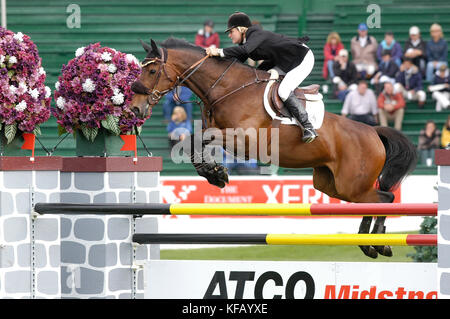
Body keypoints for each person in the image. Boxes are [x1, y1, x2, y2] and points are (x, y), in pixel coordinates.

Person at [205, 11, 317, 143]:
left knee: (283, 90)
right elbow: (238, 59)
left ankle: (308, 127)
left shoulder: (256, 34)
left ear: (241, 29)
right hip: (284, 61)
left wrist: (219, 51)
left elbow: (245, 51)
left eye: (231, 31)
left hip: (301, 58)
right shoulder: (248, 41)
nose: (229, 35)